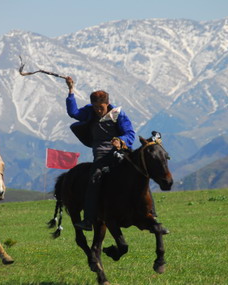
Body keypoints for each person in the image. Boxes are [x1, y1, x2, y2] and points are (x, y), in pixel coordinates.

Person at [65, 77, 168, 234]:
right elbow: (73, 112)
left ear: (107, 103)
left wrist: (120, 140)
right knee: (94, 179)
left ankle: (151, 213)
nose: (98, 110)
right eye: (95, 107)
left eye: (101, 107)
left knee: (140, 175)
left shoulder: (118, 115)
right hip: (100, 154)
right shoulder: (89, 112)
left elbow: (130, 133)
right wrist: (71, 90)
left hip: (121, 152)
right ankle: (88, 219)